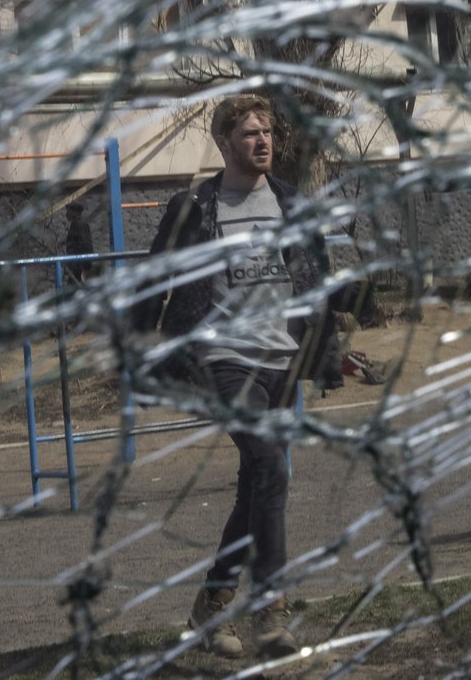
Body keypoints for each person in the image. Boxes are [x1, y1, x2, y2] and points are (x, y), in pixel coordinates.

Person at [136, 94, 342, 661]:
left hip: (281, 361)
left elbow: (315, 281)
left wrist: (330, 338)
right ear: (225, 143)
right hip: (224, 360)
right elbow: (151, 282)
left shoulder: (293, 205)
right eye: (250, 133)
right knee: (270, 466)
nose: (263, 141)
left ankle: (210, 605)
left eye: (268, 132)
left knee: (259, 481)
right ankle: (270, 613)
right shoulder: (195, 207)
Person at [61, 198, 96, 290]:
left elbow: (84, 244)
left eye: (69, 211)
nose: (66, 214)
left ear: (75, 213)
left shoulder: (79, 225)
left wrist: (79, 265)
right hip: (78, 265)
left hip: (79, 266)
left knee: (73, 290)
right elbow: (74, 239)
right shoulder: (77, 224)